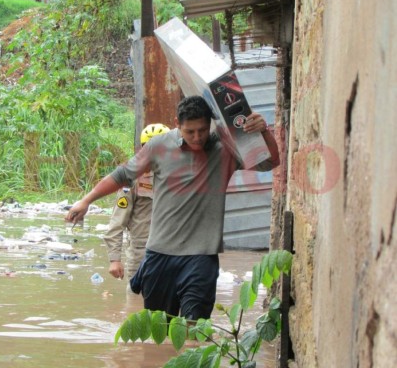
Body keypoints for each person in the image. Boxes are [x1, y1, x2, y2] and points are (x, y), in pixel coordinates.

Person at [66, 95, 279, 320]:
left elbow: (270, 162)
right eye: (190, 131)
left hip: (201, 256)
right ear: (177, 124)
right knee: (160, 328)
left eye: (202, 130)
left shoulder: (225, 149)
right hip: (160, 254)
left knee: (194, 327)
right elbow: (122, 175)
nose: (197, 137)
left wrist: (263, 131)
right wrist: (86, 200)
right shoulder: (159, 146)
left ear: (211, 124)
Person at [104, 123, 170, 283]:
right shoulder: (132, 179)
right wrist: (114, 259)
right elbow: (117, 221)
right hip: (142, 252)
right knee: (137, 302)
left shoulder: (181, 177)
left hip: (174, 252)